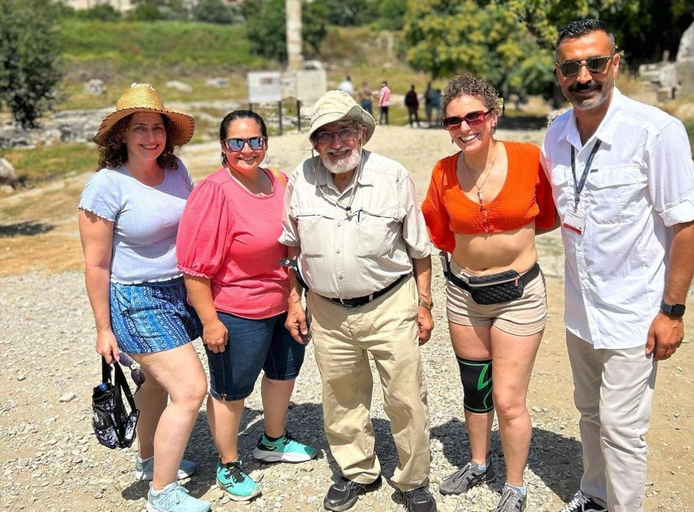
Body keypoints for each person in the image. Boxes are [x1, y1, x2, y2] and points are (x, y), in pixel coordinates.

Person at [541, 19, 694, 512]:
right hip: (580, 312)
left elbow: (686, 225)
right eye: (571, 66)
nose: (583, 76)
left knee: (621, 428)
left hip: (634, 313)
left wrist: (671, 312)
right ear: (559, 72)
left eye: (595, 63)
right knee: (589, 413)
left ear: (615, 64)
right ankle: (594, 495)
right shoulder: (555, 132)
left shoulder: (656, 132)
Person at [279, 90, 437, 512]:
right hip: (327, 311)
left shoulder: (393, 176)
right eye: (324, 135)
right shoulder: (300, 179)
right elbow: (290, 249)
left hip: (390, 304)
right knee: (341, 396)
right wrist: (295, 302)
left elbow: (420, 249)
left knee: (405, 397)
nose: (336, 142)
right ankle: (356, 470)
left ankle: (413, 480)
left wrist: (424, 304)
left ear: (363, 134)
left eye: (345, 131)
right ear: (314, 143)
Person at [421, 74, 557, 512]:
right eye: (453, 121)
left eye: (473, 116)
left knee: (507, 398)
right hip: (463, 295)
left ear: (492, 117)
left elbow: (549, 215)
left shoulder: (528, 158)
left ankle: (515, 485)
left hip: (519, 294)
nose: (464, 127)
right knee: (475, 389)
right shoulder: (442, 172)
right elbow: (437, 231)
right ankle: (478, 463)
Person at [78, 83, 210, 512]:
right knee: (190, 389)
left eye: (157, 127)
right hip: (136, 299)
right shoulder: (106, 186)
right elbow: (96, 265)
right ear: (121, 135)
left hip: (180, 291)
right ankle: (161, 494)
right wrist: (103, 328)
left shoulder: (176, 170)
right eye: (140, 127)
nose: (150, 136)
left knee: (155, 382)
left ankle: (150, 459)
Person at [176, 110, 317, 502]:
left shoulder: (279, 182)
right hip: (235, 311)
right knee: (231, 391)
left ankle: (273, 441)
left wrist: (294, 300)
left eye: (255, 140)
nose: (247, 149)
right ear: (224, 147)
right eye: (236, 142)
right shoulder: (214, 192)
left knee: (283, 373)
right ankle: (228, 463)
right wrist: (209, 321)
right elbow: (194, 267)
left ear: (266, 143)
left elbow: (290, 247)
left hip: (281, 303)